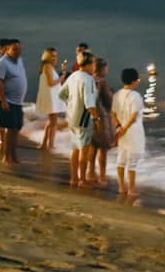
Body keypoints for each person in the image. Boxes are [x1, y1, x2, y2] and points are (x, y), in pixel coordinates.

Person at [59, 52, 102, 186]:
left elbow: (61, 94)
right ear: (89, 64)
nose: (95, 66)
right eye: (94, 63)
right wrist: (97, 119)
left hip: (71, 116)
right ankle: (82, 179)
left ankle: (74, 178)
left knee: (75, 148)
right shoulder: (88, 79)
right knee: (84, 149)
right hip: (84, 118)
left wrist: (72, 103)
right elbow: (89, 104)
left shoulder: (73, 75)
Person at [112, 68, 145, 196]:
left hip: (121, 131)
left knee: (121, 159)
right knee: (132, 162)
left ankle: (121, 187)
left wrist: (119, 127)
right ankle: (131, 190)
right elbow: (134, 116)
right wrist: (125, 129)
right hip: (133, 132)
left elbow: (113, 114)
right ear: (134, 81)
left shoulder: (117, 95)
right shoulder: (135, 96)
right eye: (137, 79)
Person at [0, 39, 27, 165]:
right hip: (7, 101)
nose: (18, 52)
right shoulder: (2, 63)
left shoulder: (19, 61)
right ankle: (7, 157)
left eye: (19, 49)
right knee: (9, 128)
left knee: (16, 128)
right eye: (14, 49)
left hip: (18, 102)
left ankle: (13, 155)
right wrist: (3, 101)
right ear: (8, 49)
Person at [86, 57, 114, 185]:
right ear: (102, 69)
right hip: (101, 117)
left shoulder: (88, 79)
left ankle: (90, 173)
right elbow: (108, 101)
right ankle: (102, 176)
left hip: (88, 117)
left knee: (92, 146)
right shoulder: (101, 82)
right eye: (106, 68)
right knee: (103, 148)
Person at [35, 47, 66, 151]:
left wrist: (62, 73)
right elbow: (51, 83)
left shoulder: (48, 67)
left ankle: (44, 144)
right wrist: (61, 78)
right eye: (52, 56)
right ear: (47, 56)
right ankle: (50, 145)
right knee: (53, 123)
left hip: (52, 97)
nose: (54, 58)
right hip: (51, 98)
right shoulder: (47, 66)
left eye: (55, 56)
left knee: (51, 122)